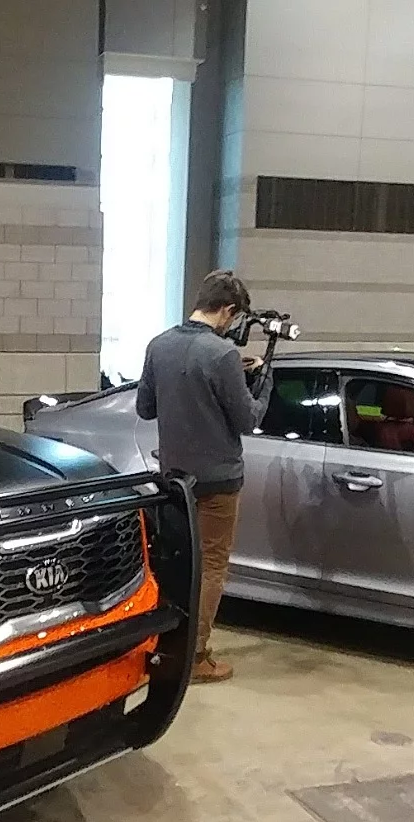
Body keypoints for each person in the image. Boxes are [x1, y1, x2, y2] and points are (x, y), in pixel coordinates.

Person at [135, 270, 273, 684]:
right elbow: (247, 420)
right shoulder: (222, 354)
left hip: (175, 479)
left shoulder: (159, 345)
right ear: (228, 310)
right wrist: (264, 380)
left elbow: (146, 409)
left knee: (177, 565)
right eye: (234, 317)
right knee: (212, 566)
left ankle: (166, 645)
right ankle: (195, 657)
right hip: (218, 481)